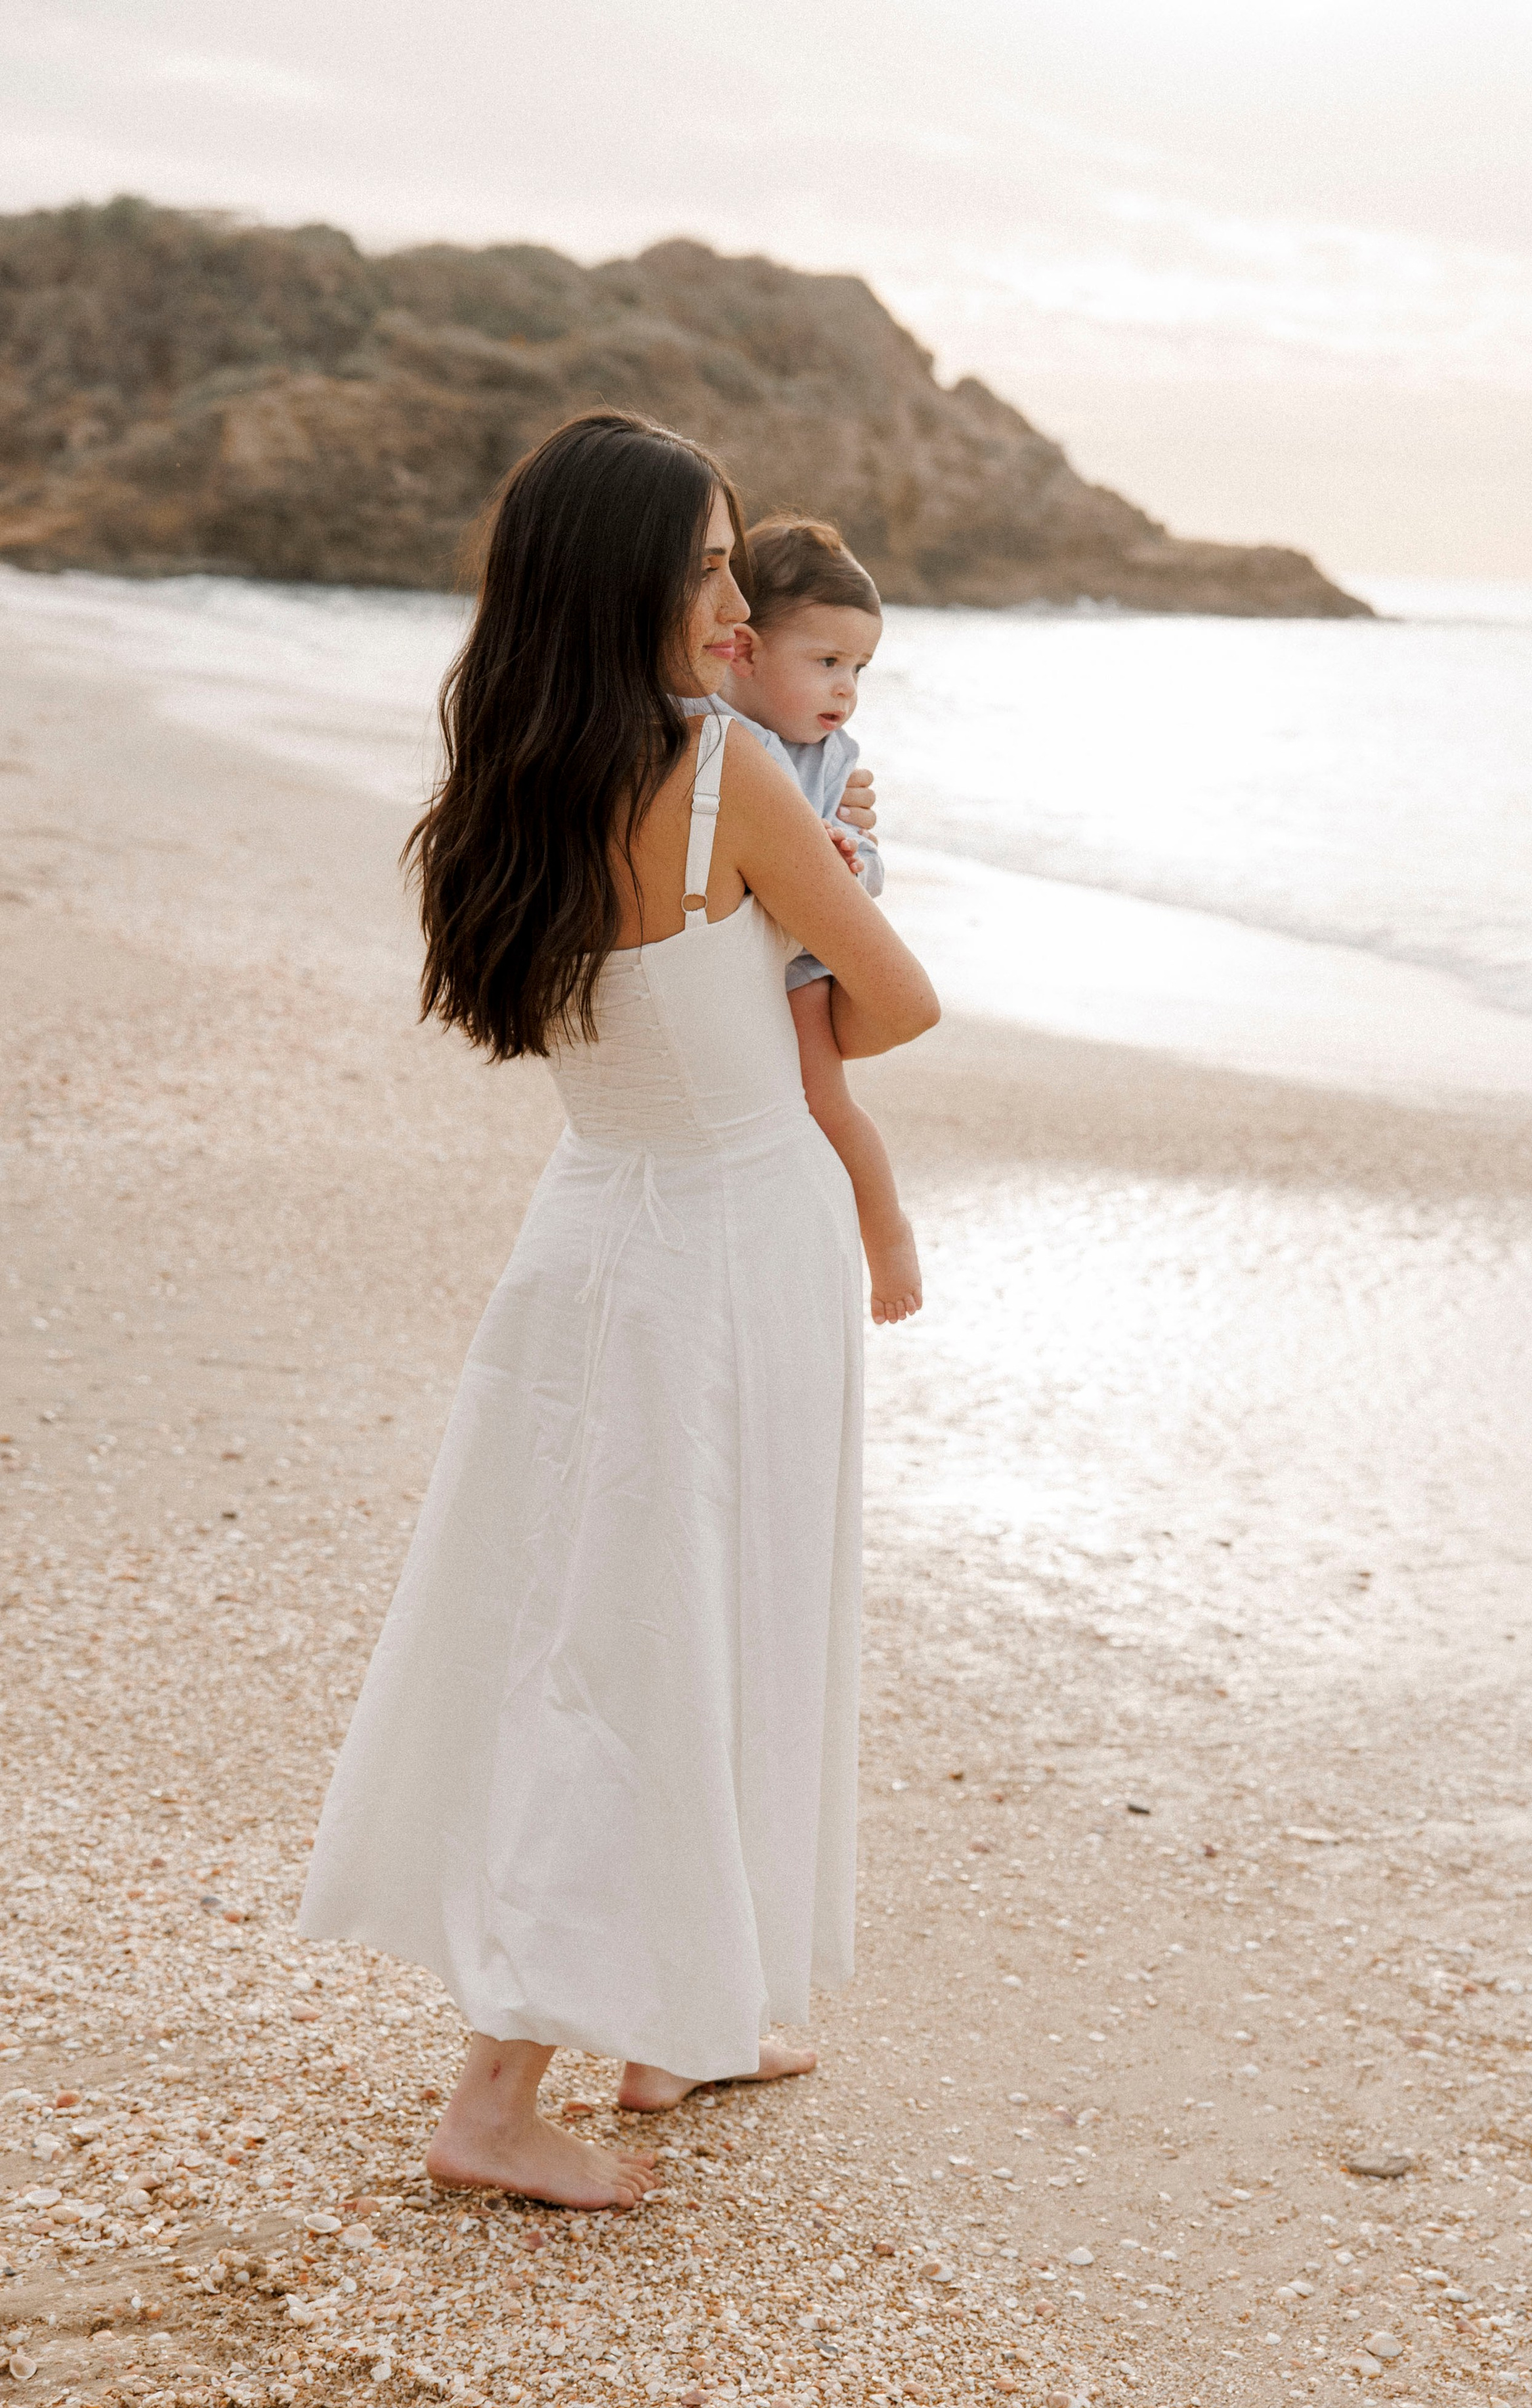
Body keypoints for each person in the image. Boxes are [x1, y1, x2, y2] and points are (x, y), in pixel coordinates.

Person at [296, 411, 939, 2212]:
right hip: (728, 1248)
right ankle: (496, 2098)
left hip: (587, 1235)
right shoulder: (726, 772)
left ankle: (674, 2020)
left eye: (740, 565)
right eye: (712, 567)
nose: (740, 601)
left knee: (618, 1620)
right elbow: (893, 1008)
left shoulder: (513, 769)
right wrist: (837, 866)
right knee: (650, 1646)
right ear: (631, 589)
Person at [710, 517, 921, 1326]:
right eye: (827, 663)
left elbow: (865, 873)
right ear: (747, 651)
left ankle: (888, 1235)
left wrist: (845, 858)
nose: (846, 689)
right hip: (718, 942)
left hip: (800, 957)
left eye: (859, 669)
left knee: (821, 1097)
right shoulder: (704, 726)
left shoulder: (831, 759)